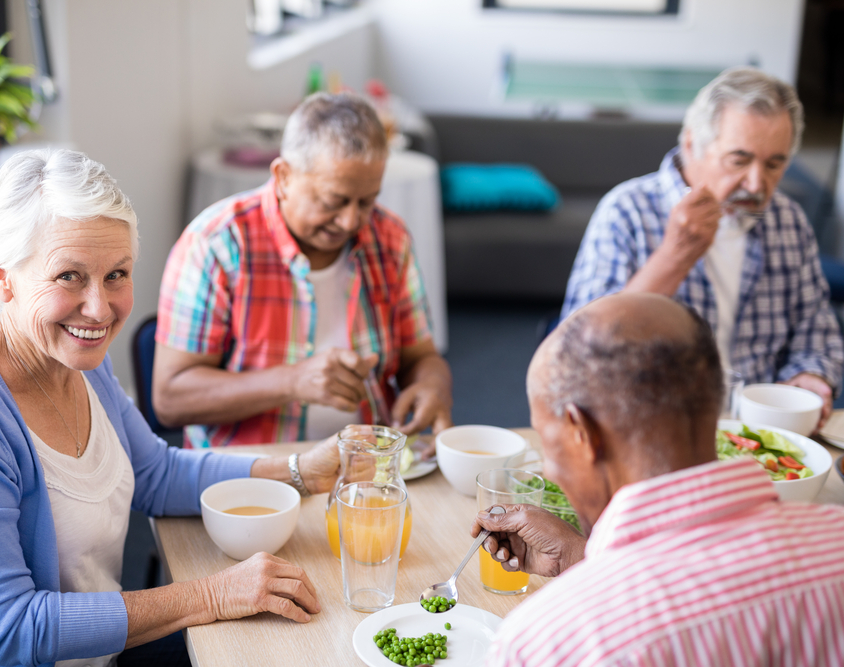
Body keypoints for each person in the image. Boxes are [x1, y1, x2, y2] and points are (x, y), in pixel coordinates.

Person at [0, 149, 344, 667]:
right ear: (4, 278)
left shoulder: (77, 356)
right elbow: (11, 629)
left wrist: (301, 472)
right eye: (69, 276)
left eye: (116, 275)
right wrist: (212, 595)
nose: (100, 309)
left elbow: (155, 472)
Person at [473, 292, 844, 666]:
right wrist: (579, 557)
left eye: (548, 443)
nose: (550, 470)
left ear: (581, 433)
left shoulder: (547, 642)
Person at [153, 92, 452, 447]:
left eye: (367, 201)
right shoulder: (215, 244)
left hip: (371, 471)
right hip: (252, 478)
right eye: (333, 201)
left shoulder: (390, 237)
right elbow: (170, 399)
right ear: (283, 177)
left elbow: (421, 357)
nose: (351, 220)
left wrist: (431, 385)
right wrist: (293, 381)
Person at [561, 67, 844, 431]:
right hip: (651, 432)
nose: (757, 182)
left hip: (757, 436)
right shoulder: (626, 211)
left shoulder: (787, 220)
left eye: (775, 163)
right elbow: (578, 353)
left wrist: (811, 377)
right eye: (739, 160)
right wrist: (673, 257)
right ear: (692, 145)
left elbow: (816, 328)